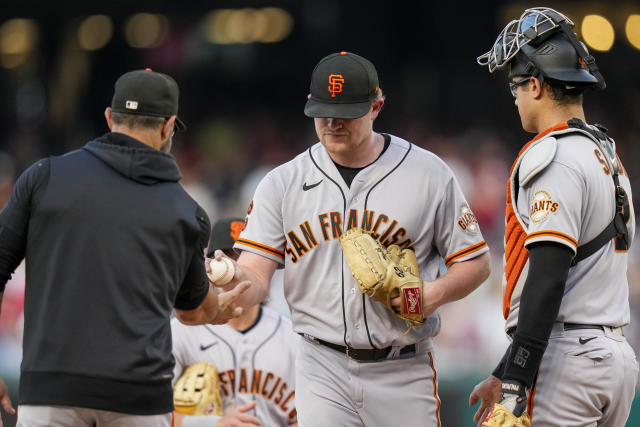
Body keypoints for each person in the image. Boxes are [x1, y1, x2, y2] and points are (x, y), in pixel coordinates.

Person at [211, 51, 491, 427]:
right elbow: (256, 276)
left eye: (345, 113)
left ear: (376, 106)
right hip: (320, 362)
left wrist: (432, 295)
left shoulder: (428, 173)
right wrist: (234, 282)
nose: (331, 123)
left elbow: (476, 262)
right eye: (323, 111)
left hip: (403, 365)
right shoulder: (282, 182)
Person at [0, 69, 248, 426]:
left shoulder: (44, 177)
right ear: (168, 126)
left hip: (51, 390)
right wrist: (219, 307)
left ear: (109, 118)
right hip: (139, 397)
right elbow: (191, 311)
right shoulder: (184, 210)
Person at [472, 7, 638, 426]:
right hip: (612, 356)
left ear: (536, 84)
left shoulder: (555, 155)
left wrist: (516, 380)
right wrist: (502, 369)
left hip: (567, 363)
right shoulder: (607, 154)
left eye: (516, 85)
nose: (514, 97)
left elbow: (548, 277)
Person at [172, 217, 299, 427]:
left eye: (241, 258)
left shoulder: (291, 337)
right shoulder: (181, 333)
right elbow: (151, 415)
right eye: (224, 259)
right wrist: (212, 424)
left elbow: (310, 417)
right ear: (208, 267)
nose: (234, 269)